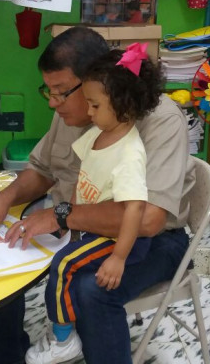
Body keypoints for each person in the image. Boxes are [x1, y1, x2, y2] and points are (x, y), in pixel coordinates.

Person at [0, 26, 194, 364]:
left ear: (96, 83)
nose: (53, 103)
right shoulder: (73, 112)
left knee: (93, 289)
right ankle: (7, 356)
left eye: (60, 91)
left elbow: (148, 220)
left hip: (153, 240)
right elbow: (42, 171)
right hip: (82, 226)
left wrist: (60, 215)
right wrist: (3, 199)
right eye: (48, 91)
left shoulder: (160, 122)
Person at [25, 43, 161, 364]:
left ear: (124, 106)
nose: (88, 112)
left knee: (63, 265)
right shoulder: (96, 135)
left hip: (121, 240)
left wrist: (118, 258)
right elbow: (80, 186)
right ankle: (68, 329)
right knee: (60, 261)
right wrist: (69, 222)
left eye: (95, 105)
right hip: (94, 233)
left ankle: (64, 337)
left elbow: (134, 211)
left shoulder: (129, 154)